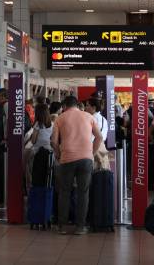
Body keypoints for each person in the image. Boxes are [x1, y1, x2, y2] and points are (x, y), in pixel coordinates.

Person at [51, 96, 103, 235]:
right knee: (83, 193)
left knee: (65, 192)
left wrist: (57, 153)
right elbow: (99, 137)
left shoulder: (60, 118)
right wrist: (92, 152)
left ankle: (62, 226)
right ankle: (80, 227)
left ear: (65, 105)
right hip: (86, 158)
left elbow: (54, 141)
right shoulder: (88, 116)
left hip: (67, 158)